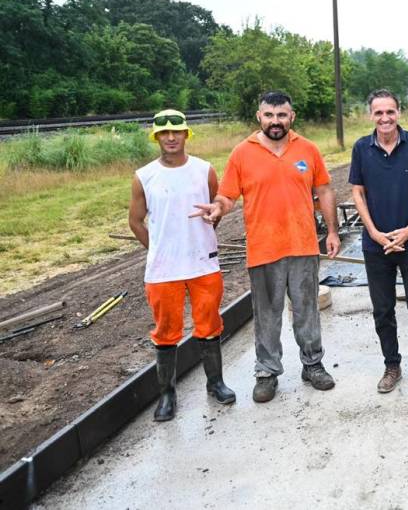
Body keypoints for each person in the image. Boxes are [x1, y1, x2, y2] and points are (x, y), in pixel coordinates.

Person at [192, 91, 341, 403]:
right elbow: (227, 195)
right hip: (264, 248)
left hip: (302, 246)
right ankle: (267, 372)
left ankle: (312, 364)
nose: (276, 121)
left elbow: (324, 190)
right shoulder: (242, 153)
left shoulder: (308, 150)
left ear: (292, 117)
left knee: (306, 310)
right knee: (267, 315)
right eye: (270, 115)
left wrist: (332, 231)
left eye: (282, 115)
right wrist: (218, 207)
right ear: (259, 116)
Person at [129, 109, 235, 421]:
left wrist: (205, 231)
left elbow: (217, 209)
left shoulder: (204, 171)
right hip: (164, 271)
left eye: (177, 131)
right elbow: (135, 222)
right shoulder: (144, 176)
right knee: (166, 331)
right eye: (164, 133)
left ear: (187, 134)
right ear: (156, 137)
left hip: (203, 265)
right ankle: (167, 394)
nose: (171, 137)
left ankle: (215, 383)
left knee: (209, 325)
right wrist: (158, 250)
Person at [350, 89, 408, 393]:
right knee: (383, 310)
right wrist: (374, 232)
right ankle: (392, 365)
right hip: (377, 245)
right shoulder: (362, 149)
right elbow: (357, 192)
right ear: (371, 115)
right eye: (379, 113)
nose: (385, 118)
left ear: (399, 112)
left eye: (390, 112)